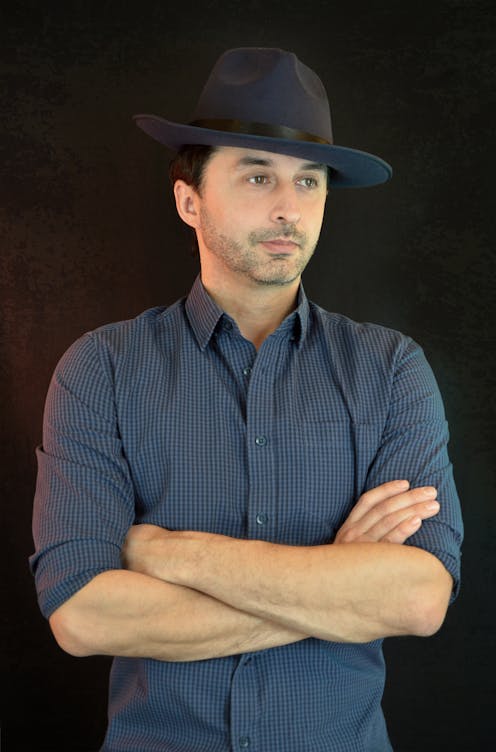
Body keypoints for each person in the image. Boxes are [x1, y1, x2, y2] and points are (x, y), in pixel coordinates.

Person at [30, 47, 464, 752]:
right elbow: (84, 616)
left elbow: (417, 598)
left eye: (310, 181)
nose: (289, 207)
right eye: (257, 176)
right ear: (189, 198)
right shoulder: (101, 370)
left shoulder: (390, 369)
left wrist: (170, 554)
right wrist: (336, 581)